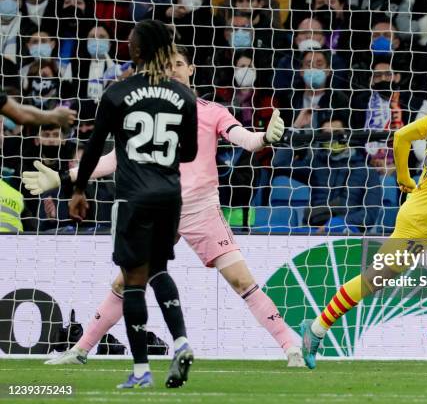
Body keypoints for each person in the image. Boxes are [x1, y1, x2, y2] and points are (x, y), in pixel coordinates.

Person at [24, 46, 304, 368]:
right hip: (159, 207)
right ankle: (81, 350)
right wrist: (64, 178)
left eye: (179, 64)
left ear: (191, 69)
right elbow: (115, 159)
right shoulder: (149, 114)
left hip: (201, 210)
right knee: (126, 282)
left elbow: (244, 139)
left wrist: (265, 138)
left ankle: (290, 346)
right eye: (166, 65)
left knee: (241, 280)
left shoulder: (211, 111)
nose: (173, 70)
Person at [299, 67, 427, 368]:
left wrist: (404, 176)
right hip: (419, 223)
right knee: (374, 281)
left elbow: (401, 136)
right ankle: (315, 330)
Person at [68, 19, 199, 389]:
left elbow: (94, 148)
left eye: (130, 41)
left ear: (139, 51)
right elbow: (188, 153)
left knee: (133, 281)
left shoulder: (117, 93)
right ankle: (182, 341)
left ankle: (141, 370)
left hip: (133, 197)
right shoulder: (184, 96)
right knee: (158, 268)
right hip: (170, 196)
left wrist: (79, 190)